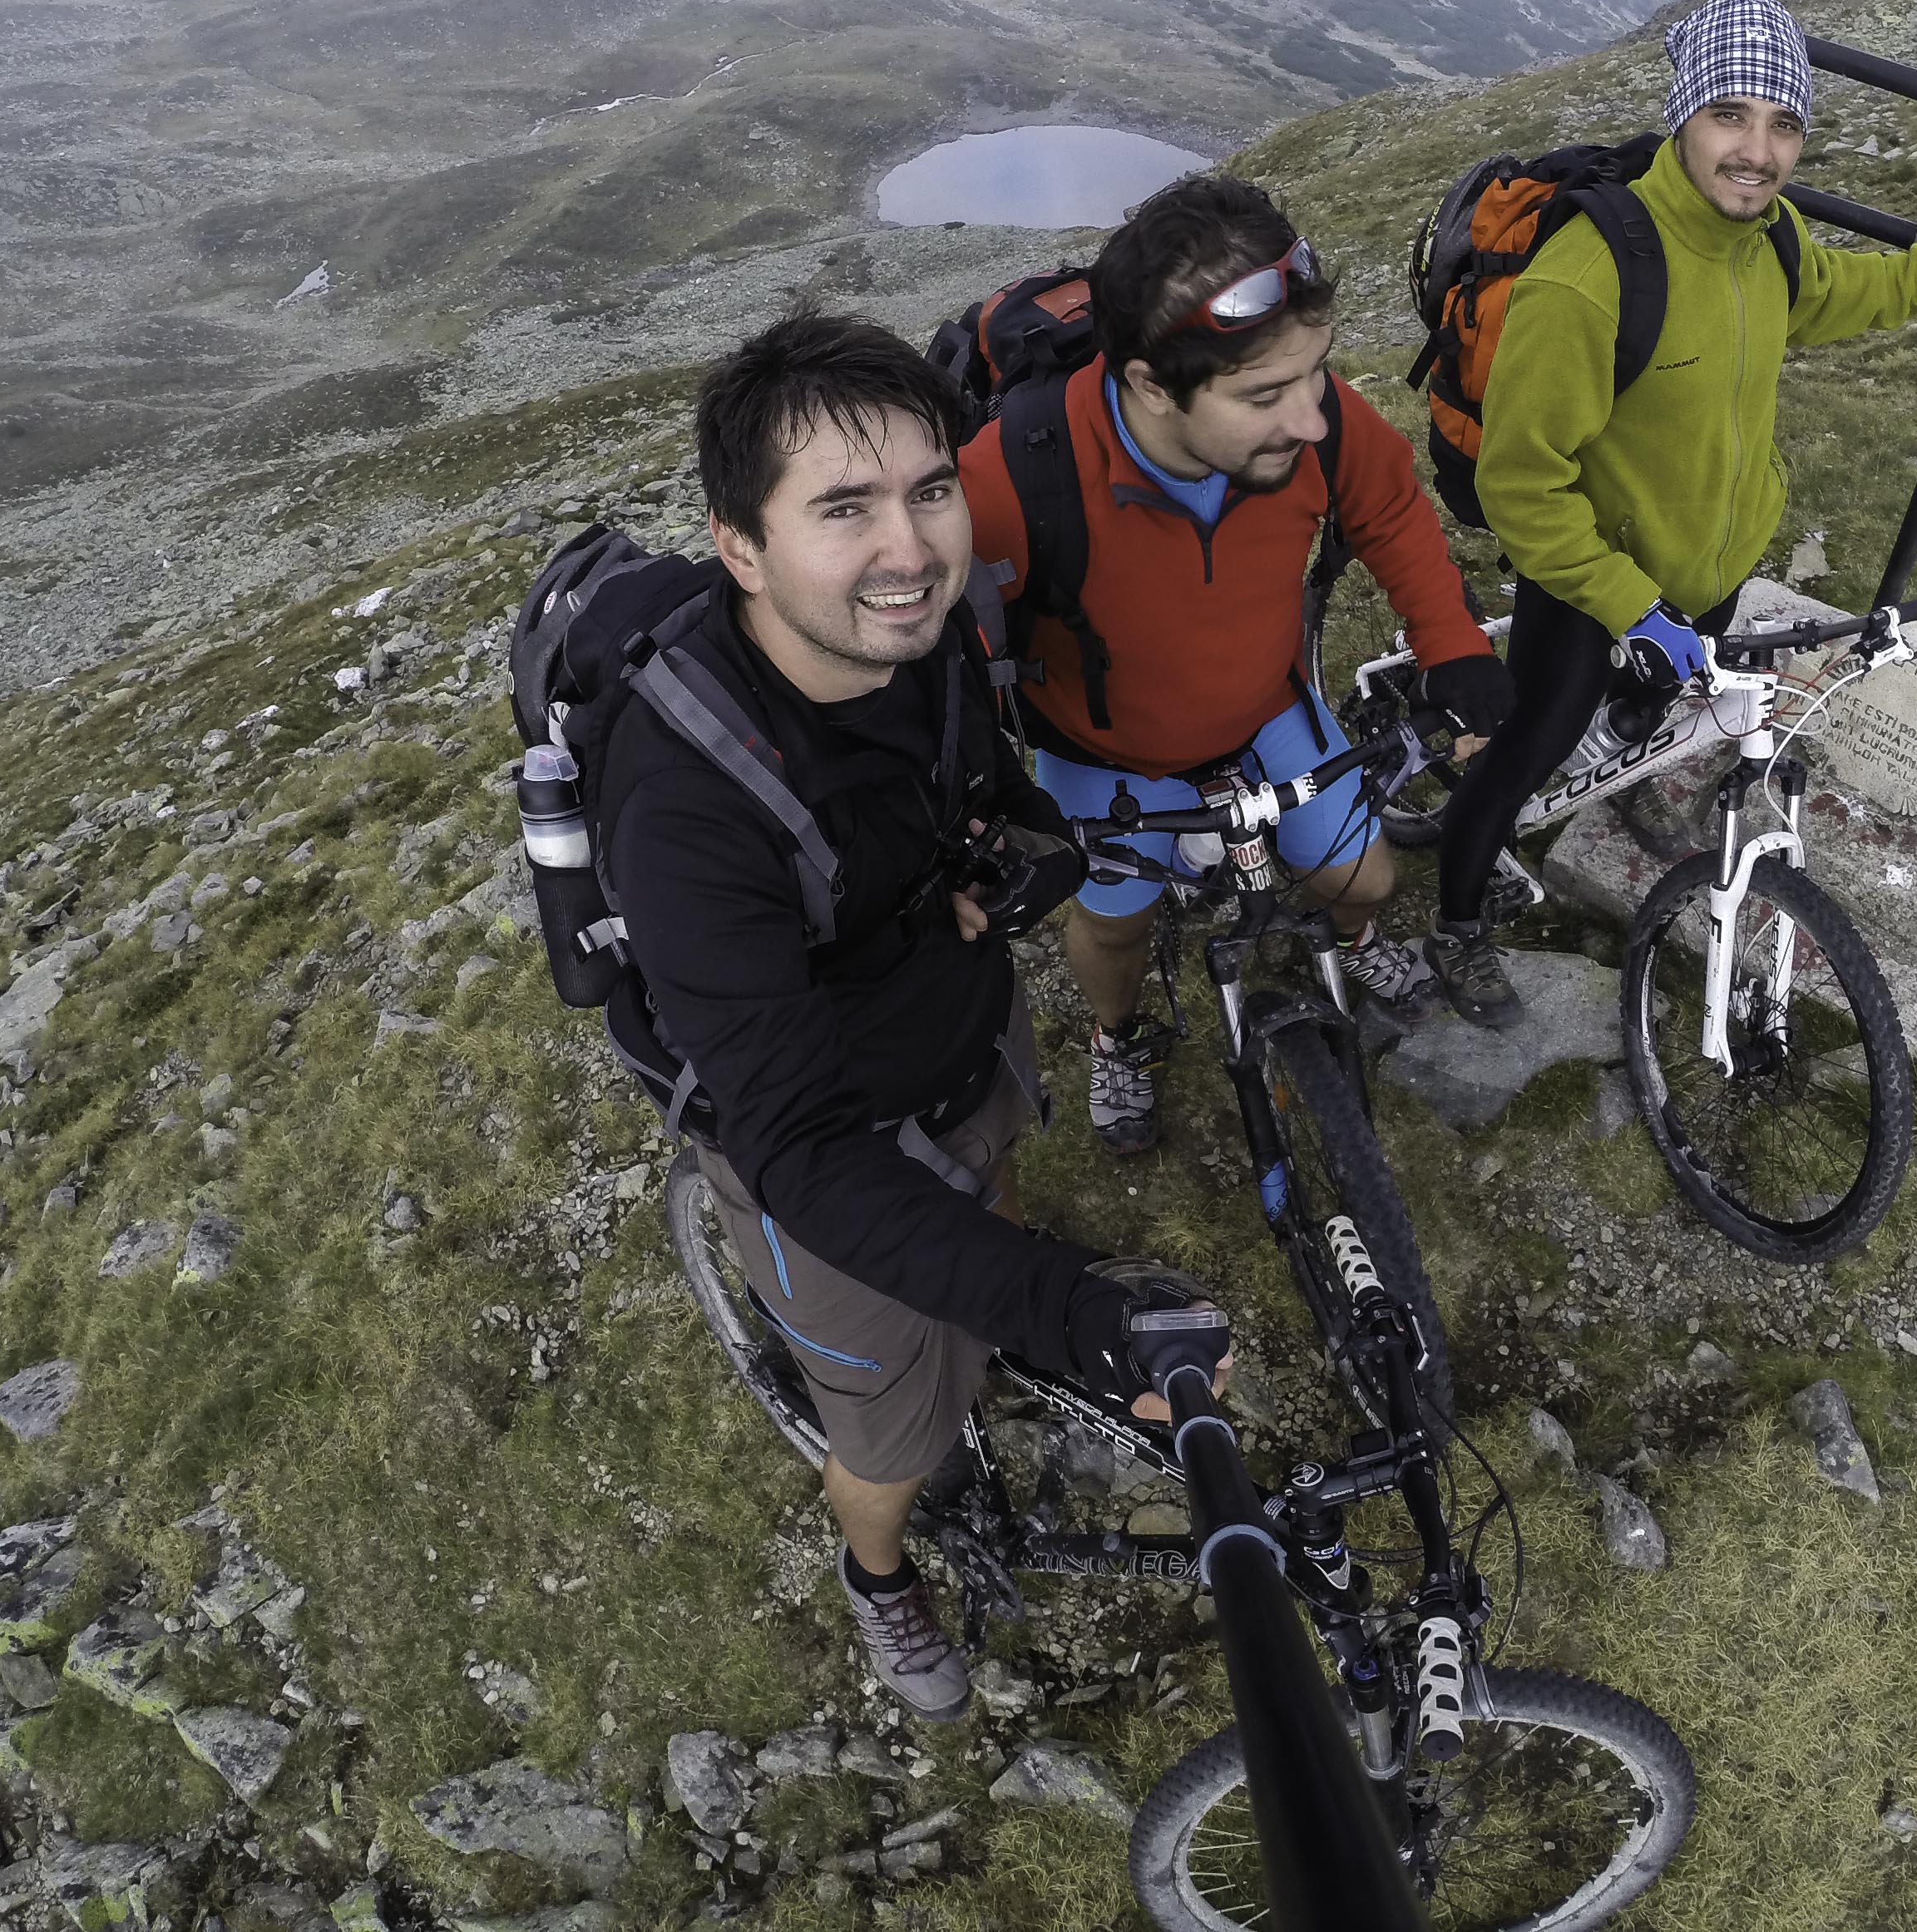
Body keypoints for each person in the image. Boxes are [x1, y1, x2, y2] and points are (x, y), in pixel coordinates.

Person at [614, 311, 1215, 1721]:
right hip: (823, 1147)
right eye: (844, 508)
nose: (911, 547)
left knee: (986, 1215)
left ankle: (978, 1309)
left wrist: (1016, 863)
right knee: (892, 1433)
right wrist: (1070, 1308)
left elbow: (986, 794)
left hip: (961, 1040)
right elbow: (804, 1148)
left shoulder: (921, 638)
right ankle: (877, 1571)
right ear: (741, 548)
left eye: (929, 489)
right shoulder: (683, 807)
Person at [1421, 0, 1917, 1026]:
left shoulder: (1769, 236)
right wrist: (1628, 606)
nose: (1757, 151)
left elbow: (1836, 293)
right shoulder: (1589, 276)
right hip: (1594, 576)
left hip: (1709, 562)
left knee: (1656, 693)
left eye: (1783, 124)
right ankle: (1456, 917)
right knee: (1529, 745)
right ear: (1683, 115)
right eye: (1730, 115)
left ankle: (1624, 746)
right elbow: (1520, 487)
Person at [961, 174, 1515, 1153]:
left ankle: (1358, 943)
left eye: (1315, 374)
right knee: (1115, 927)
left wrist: (1453, 646)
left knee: (1364, 881)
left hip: (1266, 708)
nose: (1311, 419)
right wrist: (967, 809)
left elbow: (1388, 510)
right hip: (1102, 751)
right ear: (1149, 385)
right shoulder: (1014, 475)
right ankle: (1118, 1034)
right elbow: (937, 649)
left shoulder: (1316, 423)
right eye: (1264, 395)